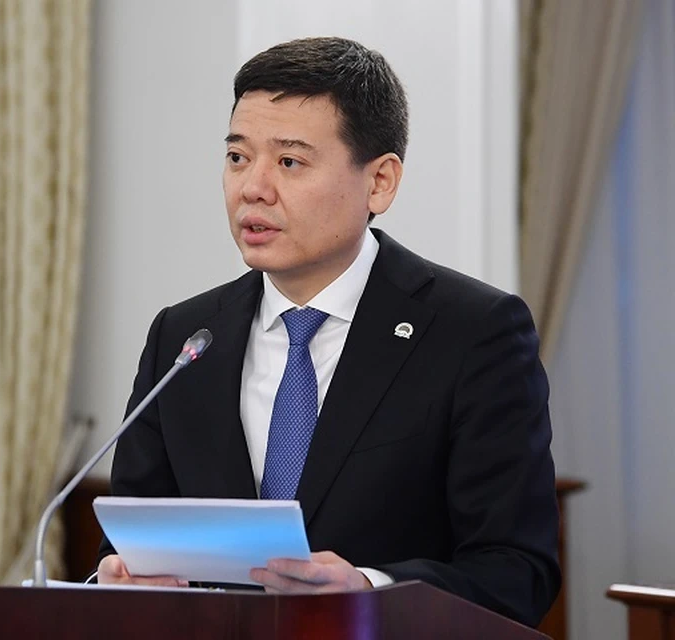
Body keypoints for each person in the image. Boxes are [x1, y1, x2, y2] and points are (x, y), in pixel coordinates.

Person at [96, 36, 560, 627]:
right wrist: (119, 576)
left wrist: (369, 590)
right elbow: (128, 544)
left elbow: (517, 572)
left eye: (289, 162)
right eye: (238, 157)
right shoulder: (185, 338)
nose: (252, 188)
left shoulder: (474, 333)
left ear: (380, 181)